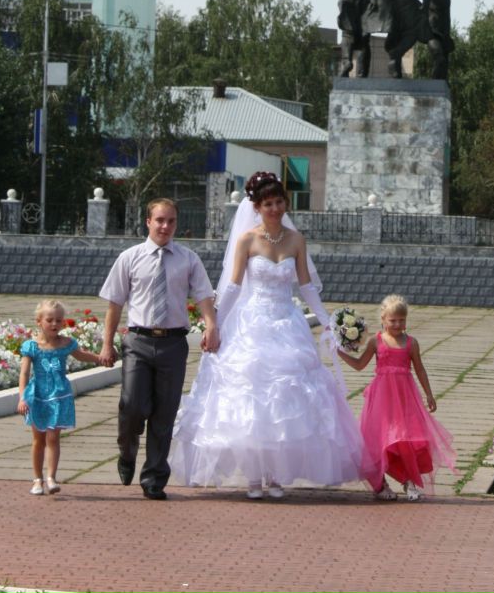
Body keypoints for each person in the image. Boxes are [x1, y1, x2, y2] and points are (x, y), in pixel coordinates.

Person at [170, 172, 372, 499]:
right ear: (257, 207)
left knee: (286, 400)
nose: (275, 209)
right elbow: (233, 287)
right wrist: (215, 323)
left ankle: (275, 474)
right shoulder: (247, 240)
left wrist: (328, 323)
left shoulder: (296, 240)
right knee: (252, 398)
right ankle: (254, 475)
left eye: (279, 202)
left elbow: (307, 287)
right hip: (252, 325)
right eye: (268, 204)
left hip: (287, 322)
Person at [99, 198, 219, 501]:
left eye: (171, 221)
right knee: (131, 405)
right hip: (138, 341)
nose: (165, 226)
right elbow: (115, 303)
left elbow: (204, 295)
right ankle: (127, 450)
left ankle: (154, 478)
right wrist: (107, 343)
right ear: (148, 222)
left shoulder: (188, 259)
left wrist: (211, 326)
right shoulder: (130, 258)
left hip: (173, 343)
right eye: (160, 220)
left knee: (164, 414)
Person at [337, 294, 457, 501]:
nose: (398, 324)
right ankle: (380, 484)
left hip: (405, 399)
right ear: (383, 319)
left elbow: (419, 369)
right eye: (393, 320)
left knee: (405, 439)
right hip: (381, 400)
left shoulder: (411, 343)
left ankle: (410, 481)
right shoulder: (376, 341)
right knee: (379, 439)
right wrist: (339, 353)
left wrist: (429, 394)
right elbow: (359, 365)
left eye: (402, 320)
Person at [17, 299, 101, 496]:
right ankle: (37, 479)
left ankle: (51, 477)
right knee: (38, 439)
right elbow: (24, 373)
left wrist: (100, 358)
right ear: (39, 321)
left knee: (53, 437)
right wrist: (22, 398)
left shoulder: (66, 343)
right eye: (49, 320)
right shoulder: (32, 346)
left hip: (59, 396)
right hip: (38, 397)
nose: (54, 324)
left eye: (59, 320)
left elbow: (81, 355)